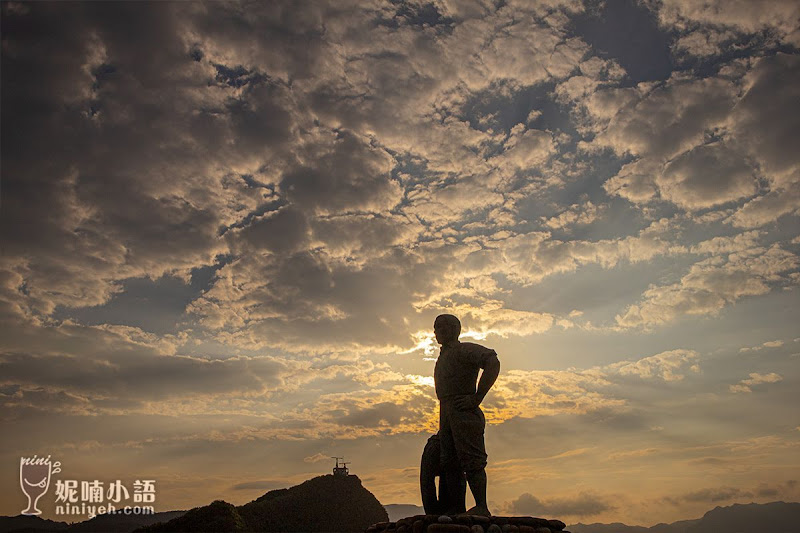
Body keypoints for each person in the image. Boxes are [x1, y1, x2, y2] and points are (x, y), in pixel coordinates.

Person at [432, 314, 500, 517]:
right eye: (436, 328)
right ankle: (456, 507)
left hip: (464, 409)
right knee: (449, 461)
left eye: (443, 327)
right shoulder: (443, 356)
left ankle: (481, 505)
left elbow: (492, 361)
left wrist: (477, 397)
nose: (438, 332)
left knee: (471, 459)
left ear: (455, 329)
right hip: (445, 411)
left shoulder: (463, 350)